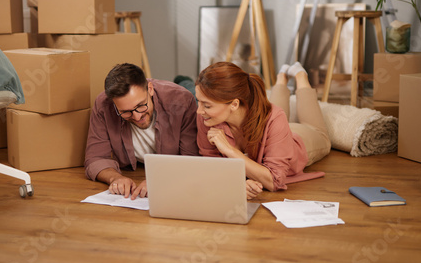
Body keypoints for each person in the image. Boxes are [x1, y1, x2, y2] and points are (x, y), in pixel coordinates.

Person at [195, 61, 331, 199]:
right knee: (272, 112)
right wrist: (237, 184)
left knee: (318, 133)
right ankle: (282, 77)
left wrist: (230, 151)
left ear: (234, 104)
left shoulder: (275, 118)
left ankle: (301, 76)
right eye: (198, 101)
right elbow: (212, 168)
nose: (199, 111)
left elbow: (274, 181)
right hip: (273, 129)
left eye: (206, 106)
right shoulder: (207, 118)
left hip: (296, 143)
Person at [85, 63, 199, 199]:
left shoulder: (181, 101)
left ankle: (183, 79)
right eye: (125, 112)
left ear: (150, 89)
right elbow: (95, 158)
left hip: (187, 97)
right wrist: (115, 178)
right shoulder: (103, 105)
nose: (137, 116)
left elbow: (192, 160)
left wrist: (159, 179)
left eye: (140, 106)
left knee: (193, 91)